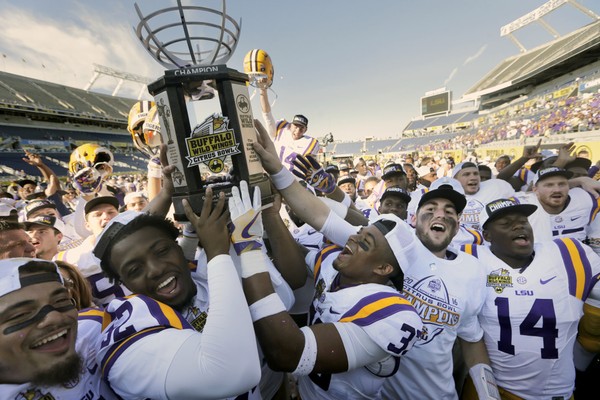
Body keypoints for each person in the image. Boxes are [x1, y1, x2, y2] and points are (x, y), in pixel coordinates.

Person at [252, 119, 498, 400]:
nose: (440, 214)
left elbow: (471, 339)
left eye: (450, 211)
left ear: (458, 224)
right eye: (431, 208)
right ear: (414, 219)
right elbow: (324, 217)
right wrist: (277, 170)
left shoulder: (471, 270)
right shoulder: (386, 245)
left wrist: (488, 395)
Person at [232, 180, 423, 399]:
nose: (353, 238)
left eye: (364, 243)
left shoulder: (391, 312)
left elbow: (287, 354)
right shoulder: (335, 265)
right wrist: (271, 214)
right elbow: (299, 256)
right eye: (359, 233)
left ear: (383, 268)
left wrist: (249, 247)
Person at [460, 198, 600, 399]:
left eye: (523, 221)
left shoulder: (566, 254)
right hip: (494, 387)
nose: (519, 226)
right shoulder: (470, 258)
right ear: (487, 235)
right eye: (506, 223)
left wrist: (586, 348)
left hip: (557, 392)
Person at [259, 86, 319, 171]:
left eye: (301, 128)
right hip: (271, 173)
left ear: (306, 130)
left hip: (291, 178)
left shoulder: (310, 143)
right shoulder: (280, 130)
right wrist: (263, 91)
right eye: (296, 126)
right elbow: (267, 115)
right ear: (290, 126)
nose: (297, 131)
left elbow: (310, 166)